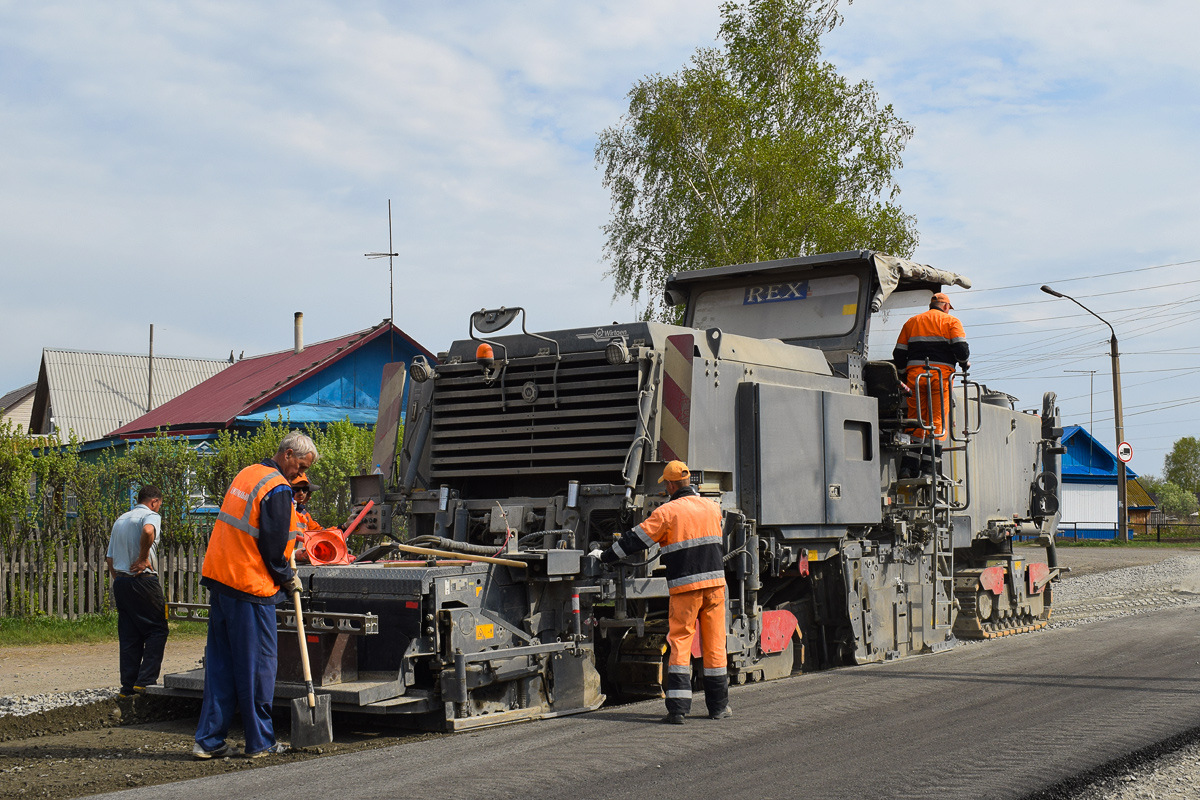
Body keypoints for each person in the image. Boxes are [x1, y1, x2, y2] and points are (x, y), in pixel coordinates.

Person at [193, 431, 318, 759]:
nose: (300, 474)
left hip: (222, 581)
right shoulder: (277, 487)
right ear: (288, 454)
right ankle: (260, 742)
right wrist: (288, 578)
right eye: (301, 465)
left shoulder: (248, 473)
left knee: (221, 666)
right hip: (250, 587)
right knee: (257, 668)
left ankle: (208, 741)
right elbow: (274, 547)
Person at [589, 460, 730, 724]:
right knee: (714, 646)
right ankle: (719, 707)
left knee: (680, 643)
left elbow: (634, 540)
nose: (665, 487)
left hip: (686, 589)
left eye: (666, 483)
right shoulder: (712, 508)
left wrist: (605, 556)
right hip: (715, 589)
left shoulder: (668, 512)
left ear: (672, 484)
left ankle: (677, 709)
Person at [892, 291, 970, 476]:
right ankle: (929, 468)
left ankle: (908, 467)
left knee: (916, 419)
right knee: (937, 421)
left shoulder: (912, 322)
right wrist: (964, 362)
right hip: (939, 378)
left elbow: (899, 354)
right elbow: (961, 350)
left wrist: (904, 374)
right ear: (945, 307)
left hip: (915, 380)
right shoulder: (951, 322)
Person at [105, 485, 168, 697]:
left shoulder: (120, 520)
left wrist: (120, 579)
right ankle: (145, 681)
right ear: (154, 502)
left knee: (129, 634)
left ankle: (128, 686)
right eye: (159, 504)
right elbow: (148, 531)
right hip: (143, 580)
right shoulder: (150, 516)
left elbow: (110, 558)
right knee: (157, 629)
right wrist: (142, 559)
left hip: (122, 582)